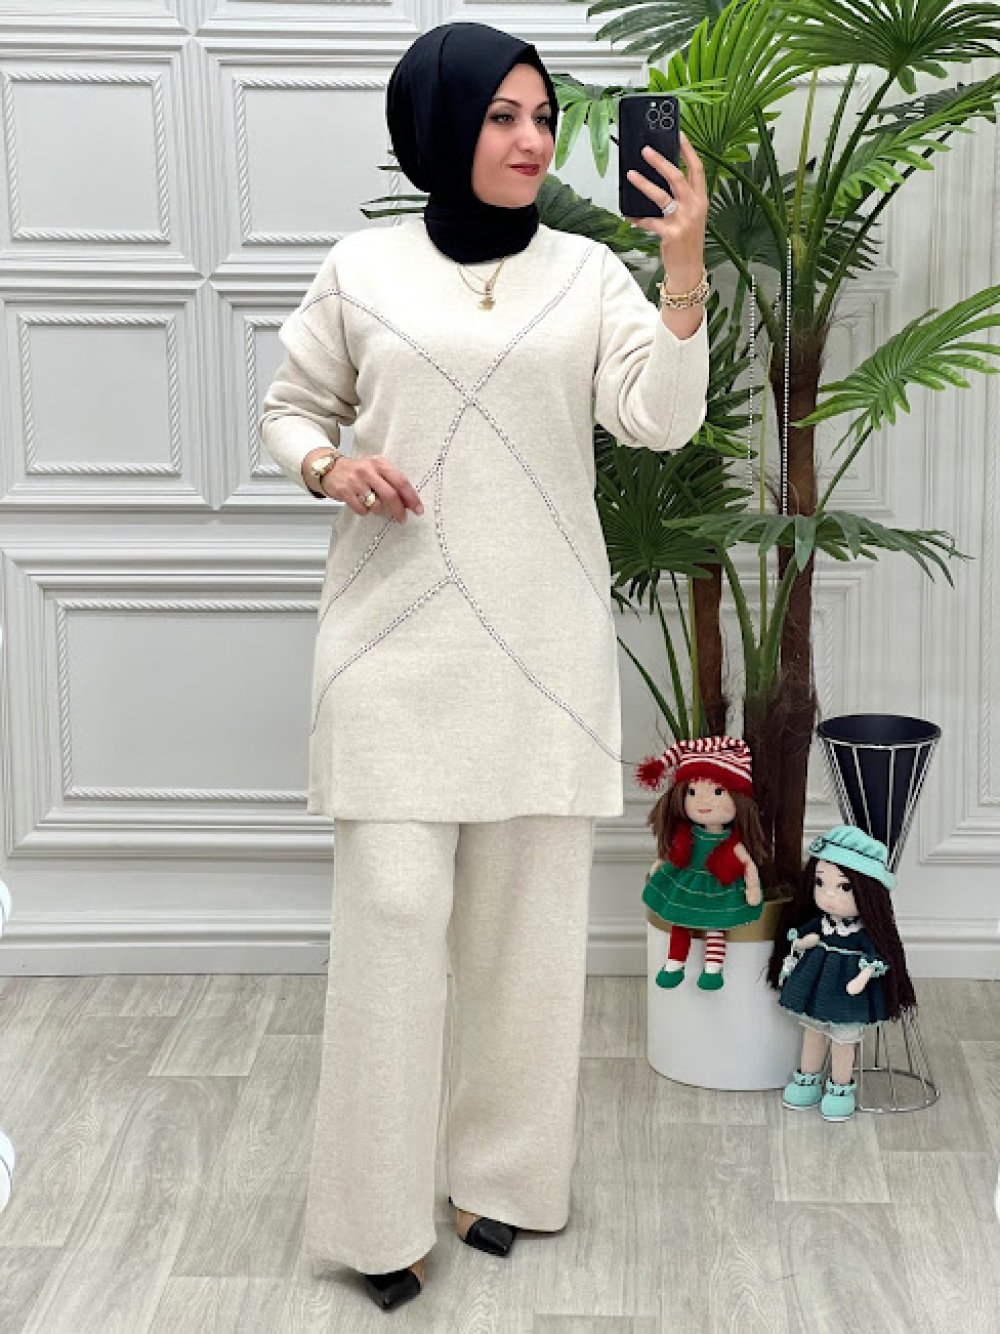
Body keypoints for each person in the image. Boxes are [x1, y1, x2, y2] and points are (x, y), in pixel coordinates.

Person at [260, 20, 710, 1312]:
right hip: (389, 643)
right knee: (392, 930)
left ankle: (501, 1180)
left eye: (542, 114)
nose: (530, 139)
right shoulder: (360, 269)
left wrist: (681, 269)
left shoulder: (588, 273)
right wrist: (328, 465)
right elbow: (291, 408)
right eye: (502, 114)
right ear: (439, 124)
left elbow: (658, 417)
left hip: (540, 645)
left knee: (528, 936)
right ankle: (374, 1216)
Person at [766, 825, 917, 1122]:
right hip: (816, 989)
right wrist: (801, 942)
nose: (829, 895)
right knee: (812, 1033)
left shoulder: (863, 933)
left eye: (844, 887)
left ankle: (839, 1088)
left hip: (847, 996)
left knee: (843, 1041)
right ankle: (807, 1080)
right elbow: (810, 936)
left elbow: (876, 958)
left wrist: (862, 976)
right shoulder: (822, 923)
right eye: (820, 882)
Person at [637, 736, 768, 990]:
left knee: (716, 926)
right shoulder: (687, 835)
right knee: (679, 921)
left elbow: (748, 864)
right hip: (686, 883)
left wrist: (753, 888)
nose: (703, 802)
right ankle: (674, 963)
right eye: (692, 792)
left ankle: (713, 969)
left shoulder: (732, 843)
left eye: (718, 792)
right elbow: (673, 852)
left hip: (719, 887)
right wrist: (660, 864)